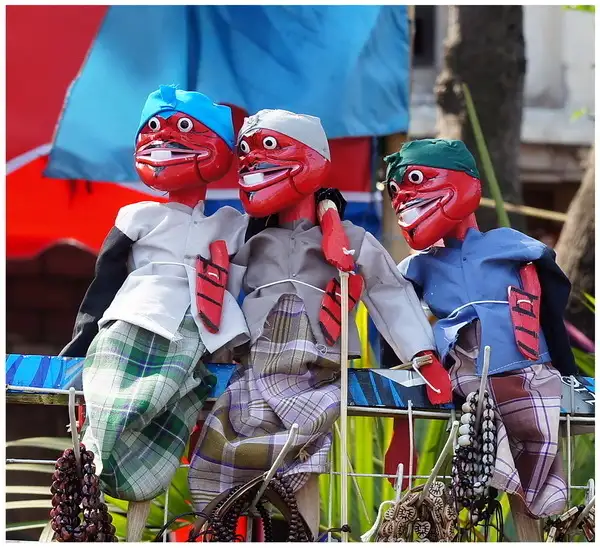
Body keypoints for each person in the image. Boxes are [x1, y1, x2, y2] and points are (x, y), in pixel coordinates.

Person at [188, 109, 445, 536]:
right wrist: (214, 348)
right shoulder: (247, 238)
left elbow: (390, 292)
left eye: (268, 146)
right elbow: (217, 292)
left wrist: (422, 354)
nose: (252, 160)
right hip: (255, 363)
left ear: (314, 157)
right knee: (235, 450)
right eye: (245, 151)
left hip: (319, 369)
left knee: (305, 458)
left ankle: (302, 535)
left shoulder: (352, 240)